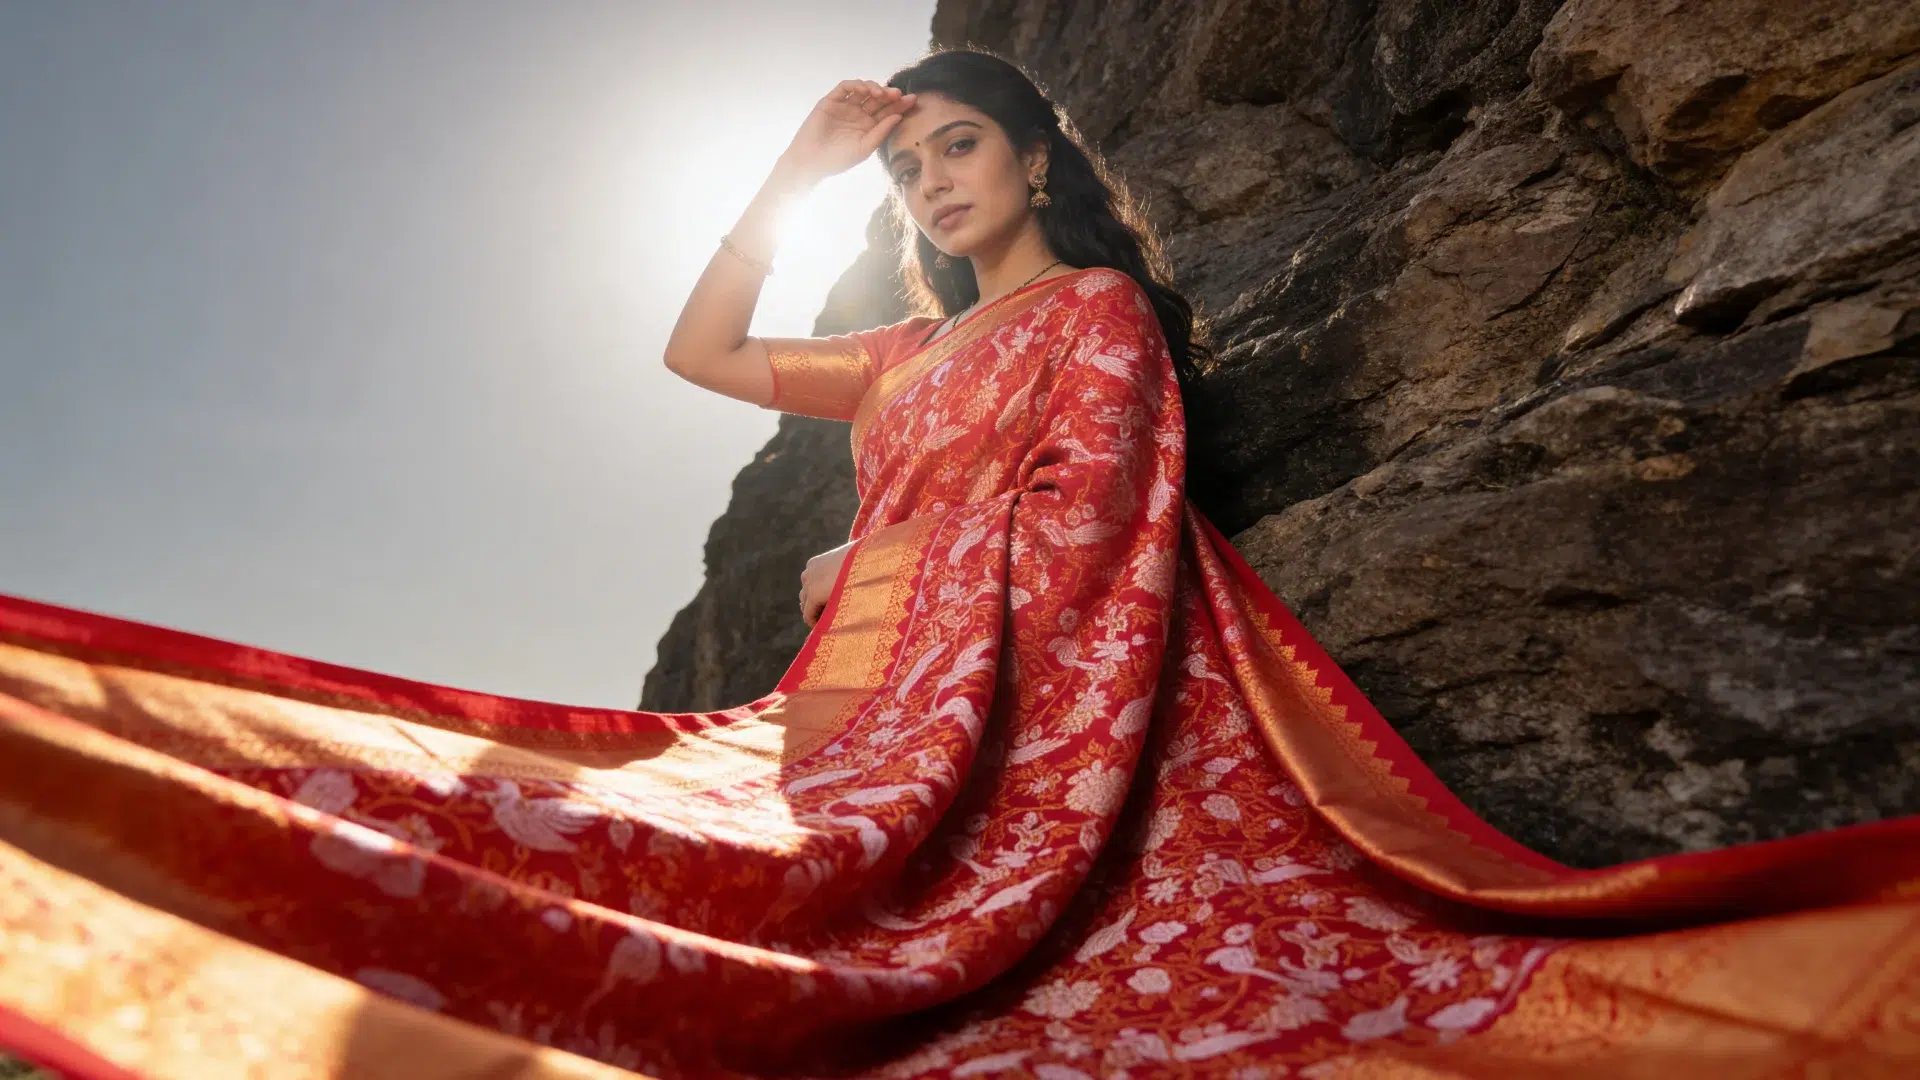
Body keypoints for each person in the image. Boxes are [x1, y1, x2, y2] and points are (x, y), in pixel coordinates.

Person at [0, 46, 1916, 1080]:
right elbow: (699, 354)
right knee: (531, 815)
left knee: (724, 884)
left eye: (952, 149)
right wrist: (786, 180)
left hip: (966, 708)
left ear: (1031, 154)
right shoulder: (905, 354)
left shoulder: (1090, 313)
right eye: (908, 165)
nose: (929, 180)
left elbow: (1094, 536)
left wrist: (922, 664)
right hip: (852, 694)